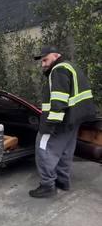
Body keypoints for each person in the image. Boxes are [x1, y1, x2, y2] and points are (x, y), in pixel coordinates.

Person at [29, 45, 96, 198]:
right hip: (74, 119)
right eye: (41, 61)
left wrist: (50, 124)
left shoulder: (58, 70)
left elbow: (59, 100)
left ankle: (47, 186)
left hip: (60, 121)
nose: (43, 64)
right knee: (65, 150)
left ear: (56, 55)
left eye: (45, 59)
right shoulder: (71, 66)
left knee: (43, 148)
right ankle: (62, 181)